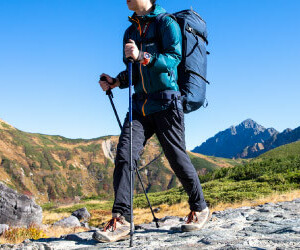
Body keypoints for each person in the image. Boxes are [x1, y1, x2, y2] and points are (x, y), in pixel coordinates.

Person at [93, 0, 210, 243]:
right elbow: (135, 72)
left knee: (177, 158)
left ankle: (200, 208)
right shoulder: (130, 31)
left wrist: (143, 55)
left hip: (168, 103)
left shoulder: (166, 23)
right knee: (125, 155)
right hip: (140, 106)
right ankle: (121, 219)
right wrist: (116, 81)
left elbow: (174, 59)